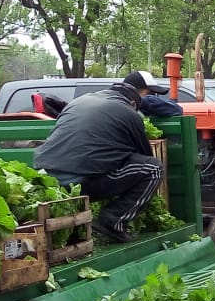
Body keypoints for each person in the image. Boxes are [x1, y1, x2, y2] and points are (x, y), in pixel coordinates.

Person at [34, 82, 161, 243]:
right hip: (80, 182)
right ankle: (113, 220)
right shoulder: (129, 113)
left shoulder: (78, 102)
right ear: (133, 104)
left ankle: (74, 230)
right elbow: (143, 153)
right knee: (153, 169)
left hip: (45, 178)